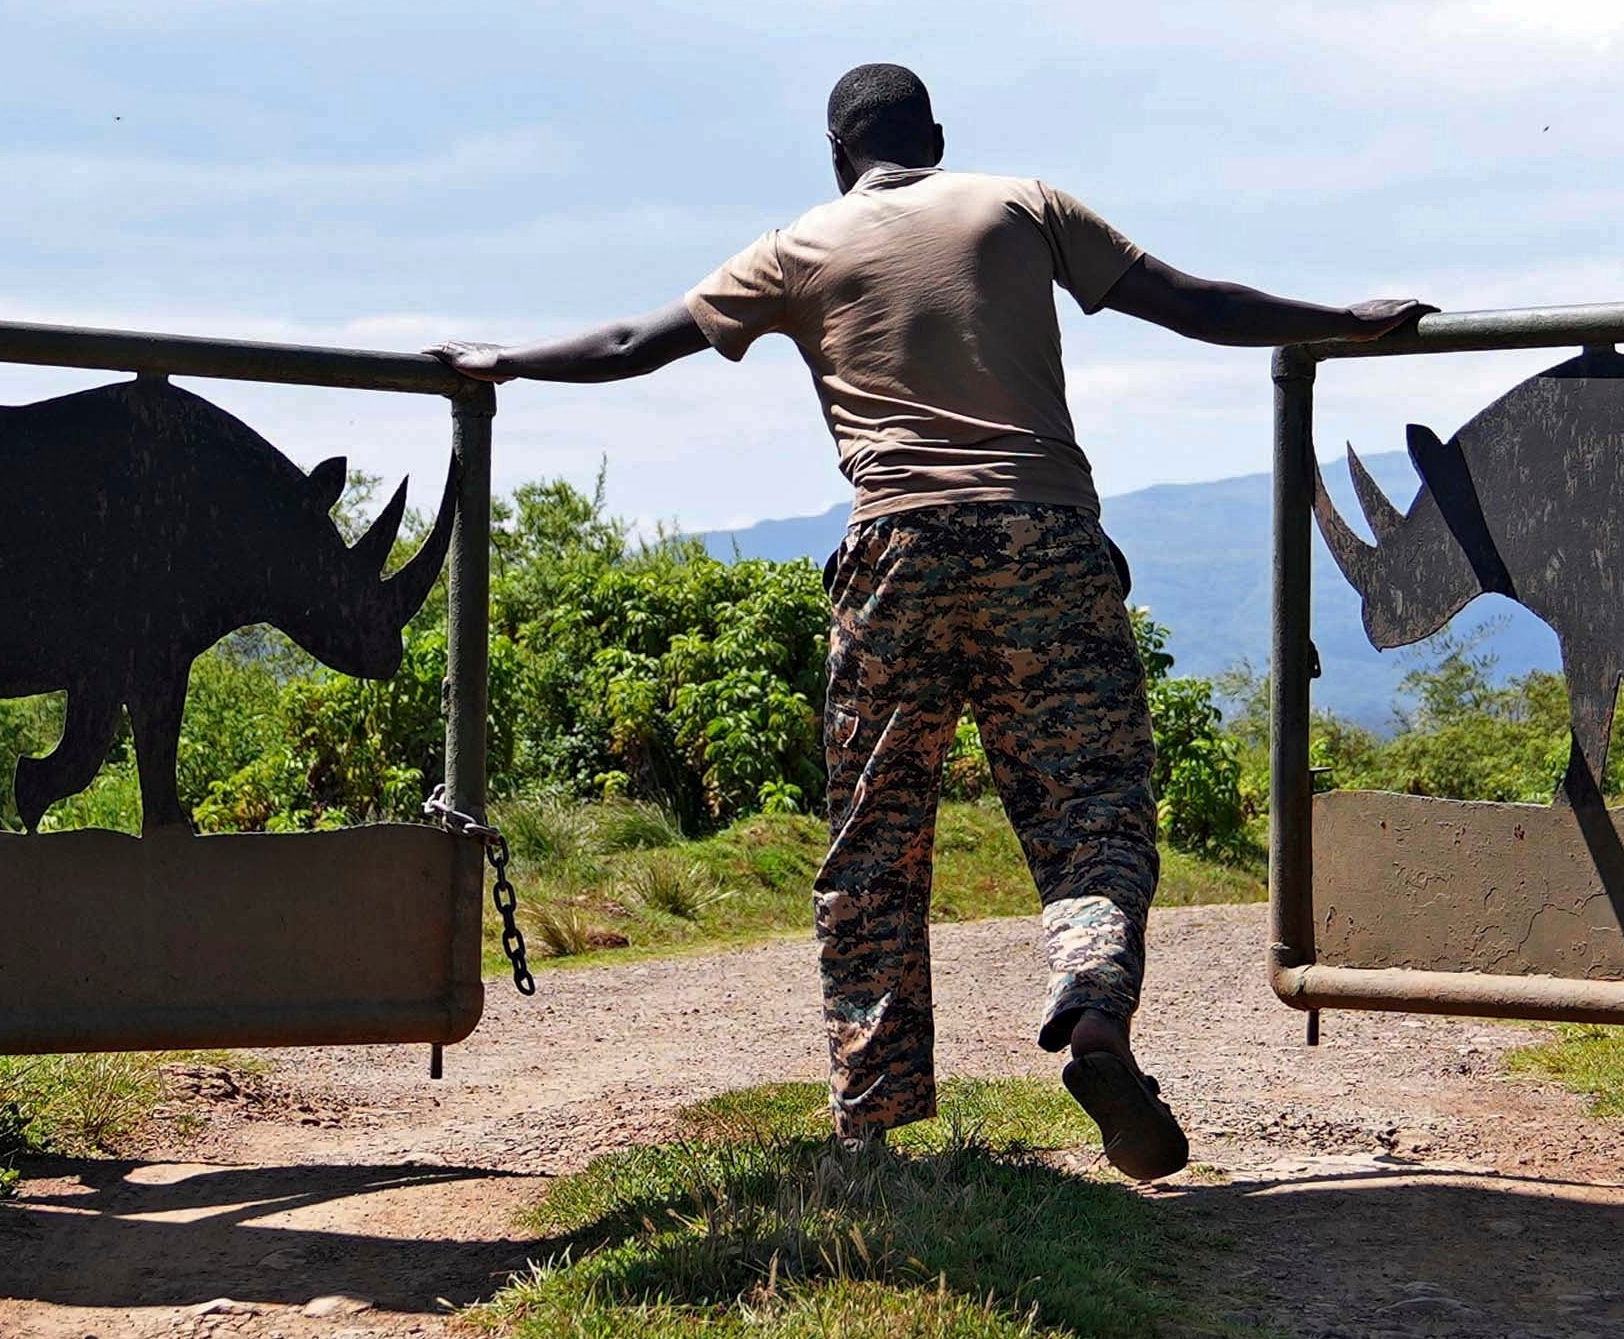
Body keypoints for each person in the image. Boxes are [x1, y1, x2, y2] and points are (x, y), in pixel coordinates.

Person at [448, 68, 1418, 1173]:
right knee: (1093, 809)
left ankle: (872, 1123)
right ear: (938, 138)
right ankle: (1094, 1015)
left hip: (894, 555)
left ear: (836, 155)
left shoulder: (796, 247)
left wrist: (501, 360)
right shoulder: (1024, 204)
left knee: (874, 839)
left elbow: (633, 343)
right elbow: (1193, 303)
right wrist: (1344, 321)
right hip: (1044, 540)